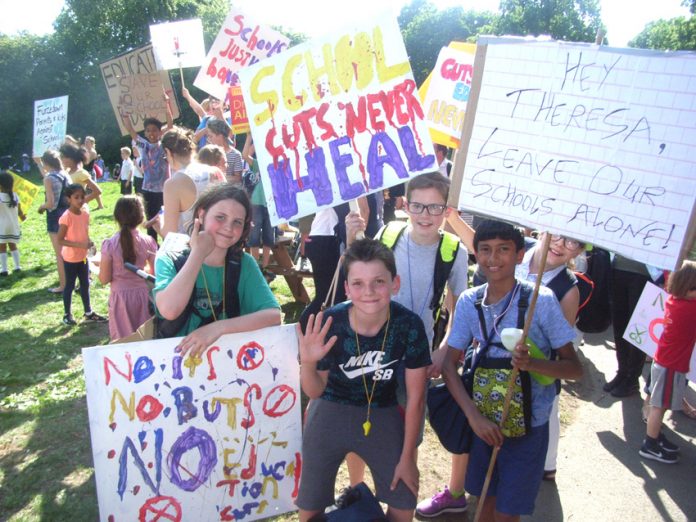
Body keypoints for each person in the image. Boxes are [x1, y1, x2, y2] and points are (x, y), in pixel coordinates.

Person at [346, 173, 470, 517]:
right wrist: (350, 236)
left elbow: (456, 307)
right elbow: (360, 277)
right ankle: (356, 490)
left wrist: (443, 349)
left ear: (446, 210)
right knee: (361, 417)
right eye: (417, 205)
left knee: (408, 429)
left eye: (434, 206)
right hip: (373, 346)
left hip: (417, 358)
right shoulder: (388, 234)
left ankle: (401, 498)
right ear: (405, 204)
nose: (425, 214)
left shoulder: (453, 250)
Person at [442, 220, 582, 522]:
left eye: (503, 250)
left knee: (507, 513)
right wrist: (473, 417)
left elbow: (574, 369)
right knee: (482, 504)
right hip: (484, 426)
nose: (494, 259)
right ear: (475, 254)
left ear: (520, 255)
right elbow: (448, 365)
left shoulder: (540, 301)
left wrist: (533, 364)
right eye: (485, 250)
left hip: (529, 428)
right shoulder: (470, 301)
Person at [295, 238, 431, 522]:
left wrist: (408, 457)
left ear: (395, 283)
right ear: (346, 288)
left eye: (378, 282)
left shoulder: (409, 325)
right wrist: (307, 363)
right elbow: (315, 390)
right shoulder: (331, 322)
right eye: (357, 283)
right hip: (330, 410)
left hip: (382, 409)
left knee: (404, 498)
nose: (368, 292)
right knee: (310, 503)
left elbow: (416, 399)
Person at [153, 184, 281, 354]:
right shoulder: (170, 258)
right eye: (220, 217)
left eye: (237, 222)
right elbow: (169, 310)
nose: (228, 227)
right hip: (174, 364)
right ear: (202, 214)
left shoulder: (244, 264)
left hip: (227, 365)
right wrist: (198, 253)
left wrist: (218, 328)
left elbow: (273, 316)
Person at [515, 232, 585, 482]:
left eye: (572, 241)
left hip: (538, 363)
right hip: (501, 354)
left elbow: (560, 345)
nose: (561, 245)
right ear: (543, 231)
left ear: (578, 250)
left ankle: (548, 464)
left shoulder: (568, 290)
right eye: (556, 236)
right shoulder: (517, 250)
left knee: (545, 410)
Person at [639, 260, 696, 464]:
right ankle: (650, 444)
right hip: (671, 366)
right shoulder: (690, 309)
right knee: (659, 406)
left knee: (659, 404)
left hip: (663, 361)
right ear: (690, 289)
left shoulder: (674, 300)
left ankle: (655, 437)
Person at [99, 196, 157, 341]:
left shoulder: (110, 244)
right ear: (141, 216)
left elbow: (104, 279)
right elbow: (156, 274)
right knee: (146, 338)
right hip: (144, 296)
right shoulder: (148, 241)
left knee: (122, 341)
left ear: (117, 217)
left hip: (121, 299)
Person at [120, 94, 174, 241]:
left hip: (164, 189)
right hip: (148, 189)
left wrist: (166, 104)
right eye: (148, 131)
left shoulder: (164, 144)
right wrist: (125, 112)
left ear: (160, 132)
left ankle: (167, 246)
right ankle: (152, 246)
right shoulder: (143, 145)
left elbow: (170, 125)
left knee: (166, 219)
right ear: (145, 133)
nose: (151, 133)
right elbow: (130, 128)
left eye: (155, 130)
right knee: (150, 220)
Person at [57, 183, 107, 325]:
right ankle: (67, 314)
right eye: (76, 197)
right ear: (69, 199)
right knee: (70, 286)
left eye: (82, 197)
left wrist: (90, 243)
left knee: (85, 284)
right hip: (71, 258)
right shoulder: (66, 217)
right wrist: (80, 245)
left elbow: (84, 233)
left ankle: (88, 312)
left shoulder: (85, 214)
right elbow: (60, 240)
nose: (80, 200)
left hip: (83, 257)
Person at [155, 127, 217, 238]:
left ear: (168, 152)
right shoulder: (214, 172)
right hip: (218, 245)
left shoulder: (172, 184)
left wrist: (159, 225)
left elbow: (170, 233)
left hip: (191, 250)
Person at [35, 150, 71, 293]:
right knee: (70, 251)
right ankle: (76, 280)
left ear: (46, 163)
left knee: (60, 254)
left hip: (55, 218)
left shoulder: (49, 178)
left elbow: (50, 204)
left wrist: (41, 207)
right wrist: (38, 163)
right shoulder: (65, 175)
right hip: (69, 215)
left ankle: (63, 286)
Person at [243, 135, 275, 277]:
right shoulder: (257, 163)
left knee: (269, 234)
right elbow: (245, 155)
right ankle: (257, 267)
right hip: (257, 201)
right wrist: (250, 137)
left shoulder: (278, 165)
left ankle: (265, 266)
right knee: (254, 235)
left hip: (272, 202)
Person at [58, 143, 103, 209]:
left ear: (71, 158)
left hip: (79, 211)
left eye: (62, 157)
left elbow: (98, 191)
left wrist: (81, 202)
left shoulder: (81, 173)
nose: (61, 160)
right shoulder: (67, 171)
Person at [0, 171, 26, 275]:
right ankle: (17, 266)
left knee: (2, 248)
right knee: (13, 246)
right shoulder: (15, 195)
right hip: (13, 226)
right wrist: (23, 217)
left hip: (2, 226)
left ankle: (4, 269)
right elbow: (20, 213)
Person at [206, 118, 243, 184]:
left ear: (220, 136)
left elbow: (238, 178)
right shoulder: (209, 153)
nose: (208, 139)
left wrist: (219, 177)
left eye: (211, 136)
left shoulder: (235, 154)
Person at [83, 136, 105, 209]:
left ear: (92, 143)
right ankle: (100, 205)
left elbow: (86, 162)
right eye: (85, 141)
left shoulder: (93, 152)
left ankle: (87, 205)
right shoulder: (85, 150)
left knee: (92, 189)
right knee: (93, 189)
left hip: (90, 173)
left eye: (87, 142)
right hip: (86, 172)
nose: (85, 143)